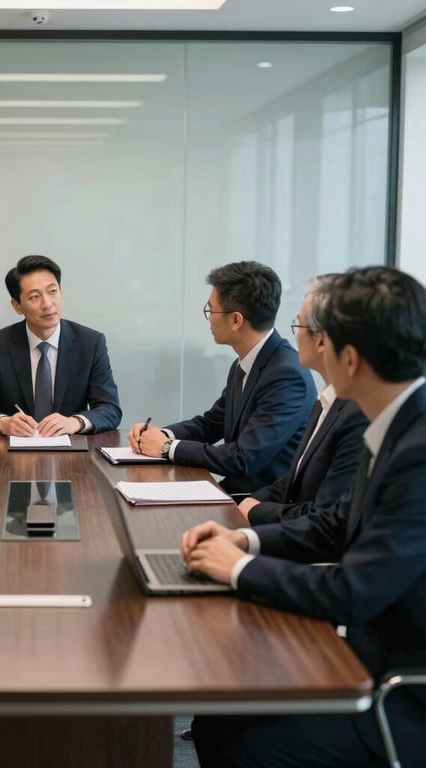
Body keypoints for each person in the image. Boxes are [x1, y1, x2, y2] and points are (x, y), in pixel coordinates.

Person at [182, 266, 426, 768]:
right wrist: (245, 543)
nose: (304, 346)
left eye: (318, 335)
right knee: (217, 717)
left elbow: (355, 590)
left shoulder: (415, 449)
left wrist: (237, 570)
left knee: (238, 742)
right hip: (363, 654)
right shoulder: (398, 424)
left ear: (350, 358)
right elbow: (335, 523)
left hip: (397, 693)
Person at [128, 261, 315, 495]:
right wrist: (161, 435)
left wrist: (166, 448)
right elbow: (211, 423)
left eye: (211, 310)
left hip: (259, 504)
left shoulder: (287, 375)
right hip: (233, 492)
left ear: (236, 320)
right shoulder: (246, 362)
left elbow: (243, 458)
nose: (209, 319)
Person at [238, 275, 368, 524]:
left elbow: (325, 515)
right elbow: (294, 478)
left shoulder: (357, 414)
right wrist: (251, 502)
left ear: (320, 340)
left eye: (298, 327)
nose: (294, 337)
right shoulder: (326, 400)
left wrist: (255, 511)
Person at [0, 254, 121, 436]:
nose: (47, 304)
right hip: (13, 457)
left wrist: (75, 422)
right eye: (35, 296)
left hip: (73, 454)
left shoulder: (91, 343)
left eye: (53, 291)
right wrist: (3, 423)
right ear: (17, 306)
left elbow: (110, 409)